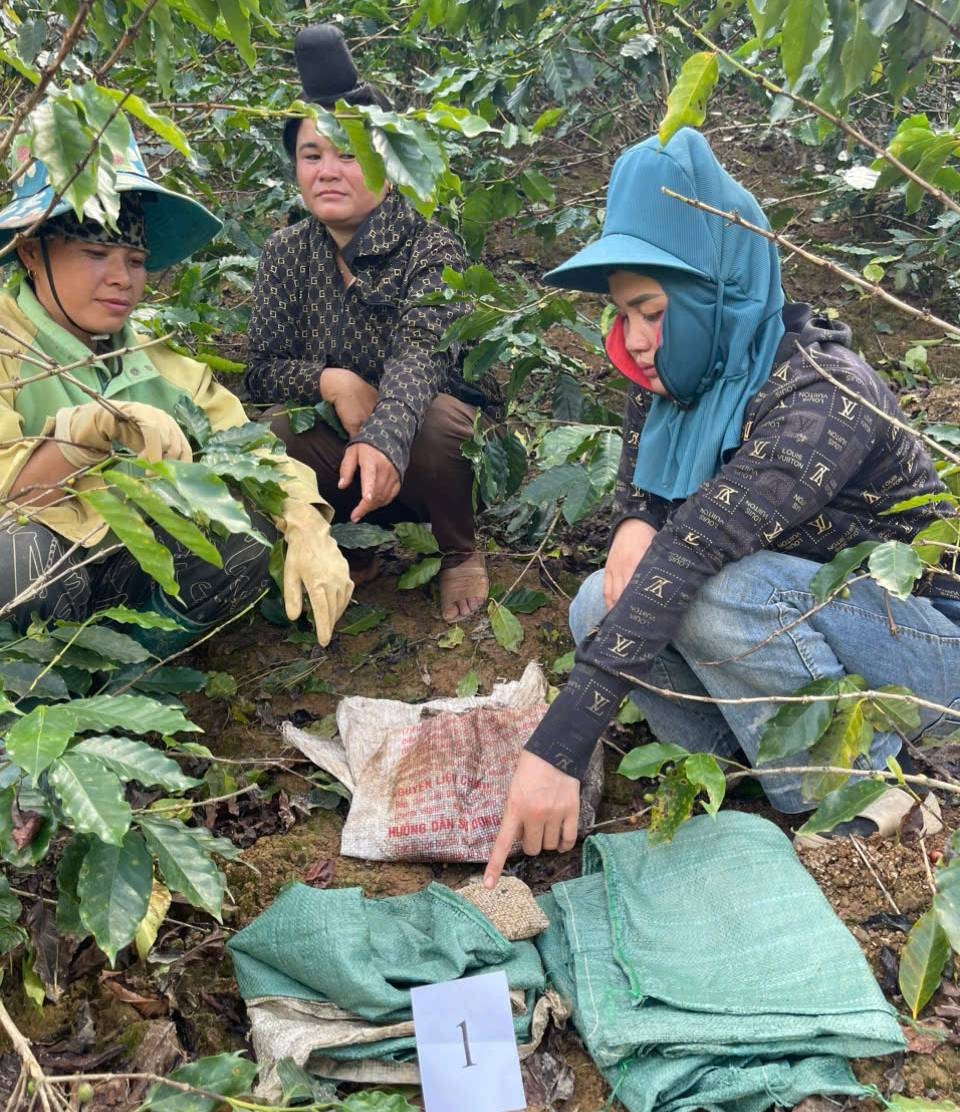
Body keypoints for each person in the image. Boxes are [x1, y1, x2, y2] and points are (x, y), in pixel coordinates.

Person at [484, 128, 960, 885]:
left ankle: (871, 786)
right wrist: (636, 517)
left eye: (651, 309)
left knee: (716, 592)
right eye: (622, 316)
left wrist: (558, 748)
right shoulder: (681, 381)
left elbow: (697, 549)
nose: (635, 341)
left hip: (927, 655)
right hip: (802, 632)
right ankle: (748, 771)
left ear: (717, 289)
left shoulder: (820, 393)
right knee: (593, 606)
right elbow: (646, 500)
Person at [0, 107, 352, 651]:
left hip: (117, 567)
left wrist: (305, 520)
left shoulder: (157, 362)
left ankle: (125, 682)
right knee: (19, 560)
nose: (122, 278)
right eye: (95, 254)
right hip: (36, 568)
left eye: (136, 261)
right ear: (30, 249)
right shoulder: (7, 346)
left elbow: (251, 450)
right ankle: (30, 704)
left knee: (243, 537)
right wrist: (88, 430)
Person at [244, 24, 498, 622]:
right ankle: (346, 542)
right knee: (280, 431)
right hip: (346, 451)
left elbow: (422, 352)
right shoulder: (286, 251)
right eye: (312, 155)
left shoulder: (428, 245)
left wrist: (384, 428)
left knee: (440, 422)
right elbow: (261, 371)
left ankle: (458, 549)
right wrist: (332, 381)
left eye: (349, 154)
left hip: (429, 465)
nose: (327, 171)